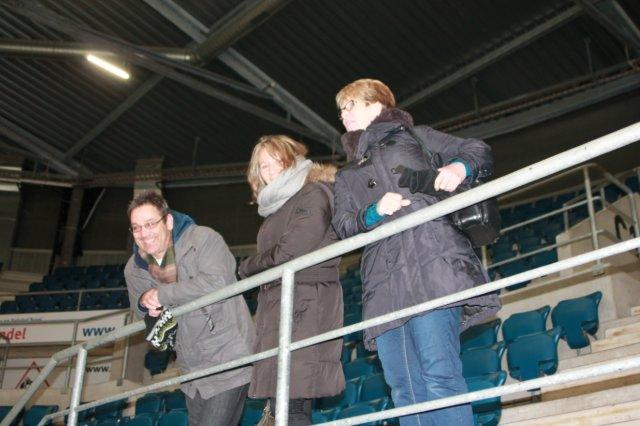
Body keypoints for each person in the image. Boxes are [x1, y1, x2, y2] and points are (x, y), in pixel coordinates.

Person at [331, 79, 501, 425]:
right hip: (383, 282)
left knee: (439, 375)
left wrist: (458, 167)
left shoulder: (416, 136)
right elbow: (342, 225)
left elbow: (476, 149)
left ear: (376, 103)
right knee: (404, 389)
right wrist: (373, 212)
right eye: (341, 110)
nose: (343, 115)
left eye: (350, 105)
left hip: (431, 263)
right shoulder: (346, 174)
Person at [124, 190, 256, 426]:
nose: (144, 233)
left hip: (228, 357)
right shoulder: (134, 269)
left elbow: (218, 281)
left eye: (150, 224)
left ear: (168, 221)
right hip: (190, 369)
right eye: (136, 228)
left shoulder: (202, 239)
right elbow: (138, 306)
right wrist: (145, 301)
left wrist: (161, 294)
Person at [238, 135, 344, 425]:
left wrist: (246, 267)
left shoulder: (314, 192)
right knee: (282, 405)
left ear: (292, 159)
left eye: (276, 162)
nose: (270, 171)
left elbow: (291, 250)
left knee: (293, 404)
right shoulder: (277, 208)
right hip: (280, 307)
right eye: (263, 166)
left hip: (305, 305)